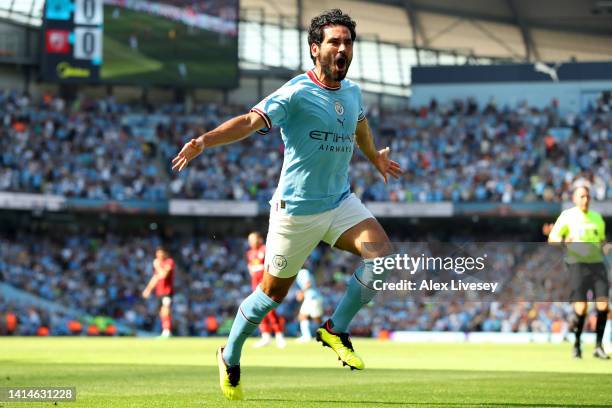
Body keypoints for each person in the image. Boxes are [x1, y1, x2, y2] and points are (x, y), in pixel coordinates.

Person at [172, 9, 401, 400]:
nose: (343, 48)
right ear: (316, 49)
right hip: (296, 212)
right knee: (269, 297)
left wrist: (374, 157)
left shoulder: (353, 92)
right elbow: (249, 120)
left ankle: (335, 329)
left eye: (347, 42)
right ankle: (229, 355)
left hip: (340, 202)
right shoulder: (296, 91)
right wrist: (205, 141)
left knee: (384, 257)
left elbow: (359, 125)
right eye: (334, 42)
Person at [545, 186, 610, 359]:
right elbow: (552, 238)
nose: (585, 199)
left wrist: (607, 247)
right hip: (577, 265)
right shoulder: (567, 216)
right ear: (574, 199)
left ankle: (598, 347)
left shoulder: (597, 218)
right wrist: (565, 240)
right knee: (581, 308)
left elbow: (602, 241)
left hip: (597, 265)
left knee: (603, 305)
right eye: (581, 196)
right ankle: (576, 344)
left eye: (587, 196)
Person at [246, 232, 286, 348]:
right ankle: (266, 336)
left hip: (266, 284)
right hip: (255, 284)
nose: (251, 242)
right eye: (250, 240)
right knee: (259, 310)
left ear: (259, 239)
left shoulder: (265, 250)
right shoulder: (249, 253)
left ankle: (279, 335)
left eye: (253, 239)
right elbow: (251, 268)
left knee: (269, 309)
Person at [142, 247, 175, 338]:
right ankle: (165, 330)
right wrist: (148, 289)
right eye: (157, 253)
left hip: (167, 291)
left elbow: (164, 275)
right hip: (159, 292)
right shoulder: (160, 264)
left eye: (160, 253)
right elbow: (155, 278)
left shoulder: (169, 262)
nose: (159, 255)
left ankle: (167, 331)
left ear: (165, 253)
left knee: (166, 309)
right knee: (161, 312)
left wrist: (157, 266)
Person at [295, 268, 323, 343]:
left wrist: (301, 292)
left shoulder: (303, 272)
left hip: (312, 297)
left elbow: (308, 283)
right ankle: (307, 335)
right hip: (311, 297)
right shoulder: (301, 272)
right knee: (305, 317)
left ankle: (326, 333)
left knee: (316, 318)